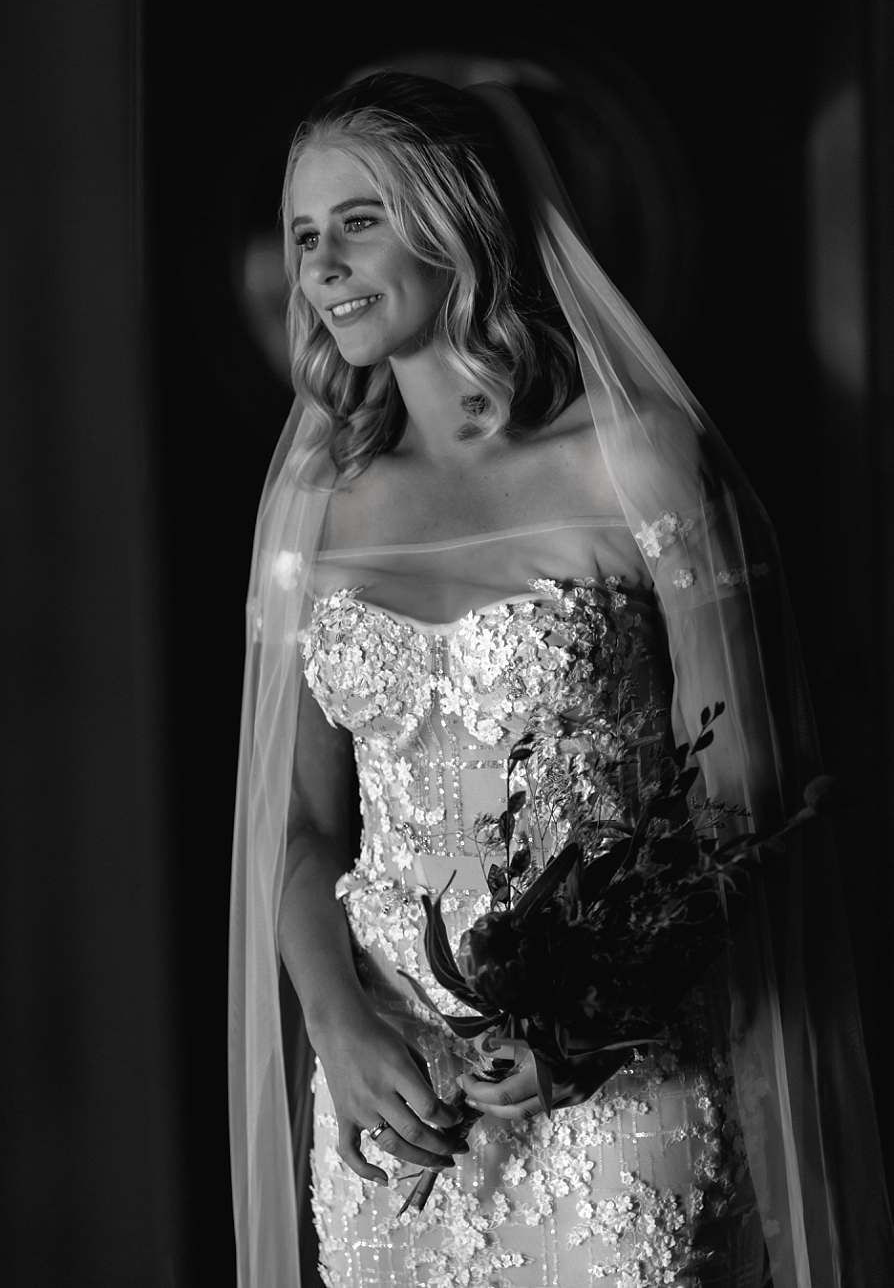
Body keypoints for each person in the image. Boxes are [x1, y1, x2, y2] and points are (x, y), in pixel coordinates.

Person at [229, 72, 893, 1288]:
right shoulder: (313, 514)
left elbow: (746, 783)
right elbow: (301, 823)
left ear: (459, 217)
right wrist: (335, 1015)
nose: (322, 263)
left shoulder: (635, 458)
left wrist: (588, 1020)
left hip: (621, 1082)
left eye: (358, 219)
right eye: (303, 234)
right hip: (395, 1100)